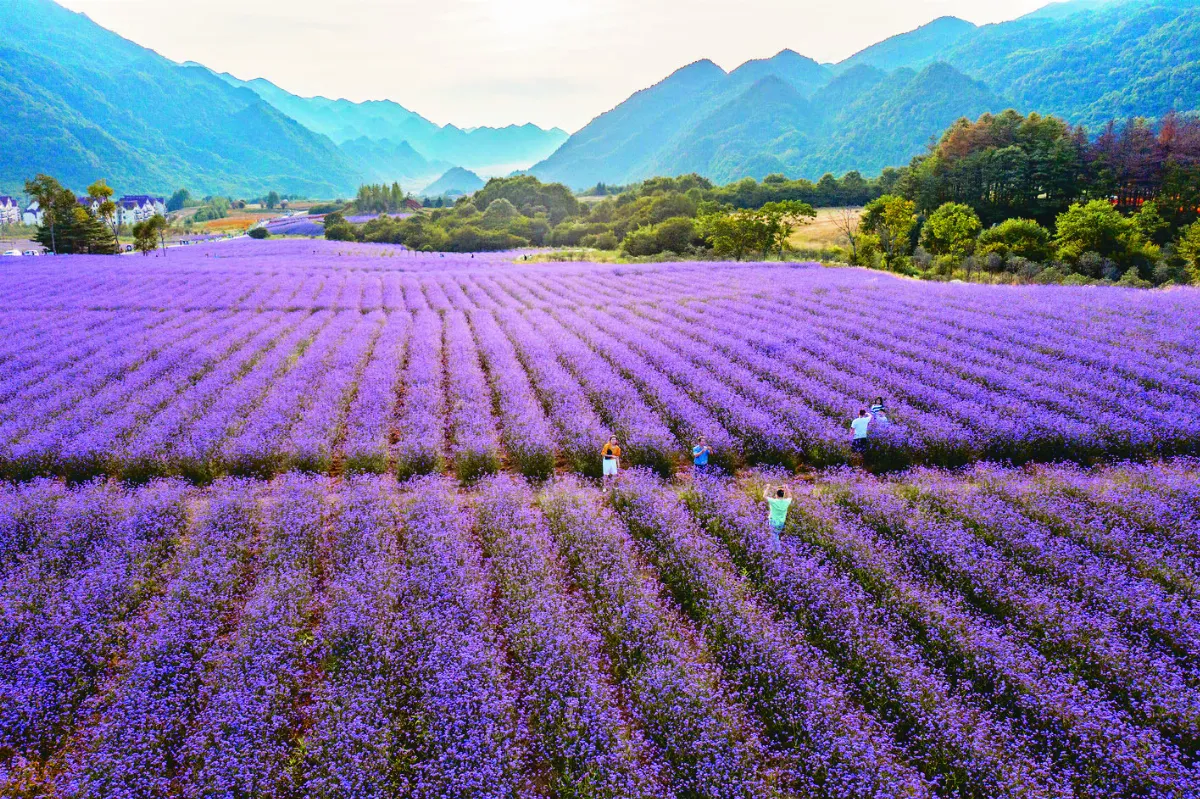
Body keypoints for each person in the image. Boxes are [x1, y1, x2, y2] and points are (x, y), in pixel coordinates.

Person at [764, 483, 792, 552]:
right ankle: (774, 550)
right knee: (776, 535)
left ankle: (777, 551)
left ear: (776, 495)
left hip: (773, 521)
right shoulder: (786, 502)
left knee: (774, 536)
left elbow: (764, 496)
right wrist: (787, 488)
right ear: (783, 495)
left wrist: (768, 487)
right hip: (781, 522)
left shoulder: (773, 501)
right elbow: (790, 497)